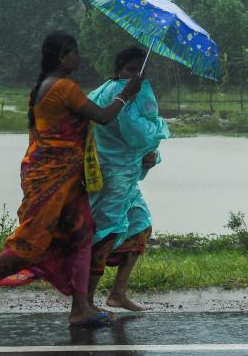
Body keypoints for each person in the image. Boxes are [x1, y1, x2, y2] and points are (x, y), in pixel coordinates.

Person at [0, 31, 142, 330]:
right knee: (29, 246)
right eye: (74, 53)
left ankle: (81, 307)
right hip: (50, 179)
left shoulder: (44, 86)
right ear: (62, 57)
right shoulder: (63, 87)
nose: (77, 58)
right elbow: (103, 116)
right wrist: (126, 93)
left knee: (83, 233)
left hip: (66, 179)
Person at [87, 46, 169, 312]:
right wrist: (156, 138)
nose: (135, 76)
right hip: (112, 177)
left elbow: (142, 142)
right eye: (130, 70)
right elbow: (139, 135)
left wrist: (151, 156)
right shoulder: (117, 94)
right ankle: (85, 303)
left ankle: (117, 293)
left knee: (140, 225)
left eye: (140, 71)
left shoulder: (126, 94)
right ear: (118, 71)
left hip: (126, 177)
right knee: (106, 234)